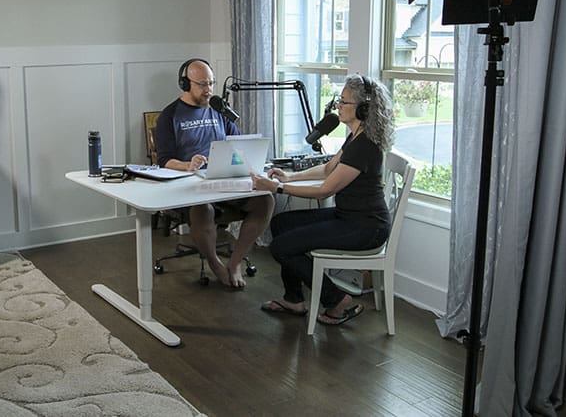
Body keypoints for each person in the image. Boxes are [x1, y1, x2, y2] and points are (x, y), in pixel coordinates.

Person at [249, 74, 394, 325]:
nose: (338, 105)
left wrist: (278, 188)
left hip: (366, 228)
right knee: (281, 224)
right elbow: (328, 169)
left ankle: (336, 300)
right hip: (349, 217)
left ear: (362, 108)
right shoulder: (355, 136)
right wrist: (290, 178)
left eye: (344, 101)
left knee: (281, 247)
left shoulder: (364, 145)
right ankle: (294, 300)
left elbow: (324, 191)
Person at [154, 58, 274, 288]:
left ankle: (235, 262)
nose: (209, 90)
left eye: (211, 83)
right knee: (202, 209)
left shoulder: (219, 111)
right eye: (202, 84)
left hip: (224, 181)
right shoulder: (170, 116)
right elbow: (164, 161)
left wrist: (251, 164)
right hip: (190, 187)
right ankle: (215, 263)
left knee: (265, 201)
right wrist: (188, 165)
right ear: (185, 84)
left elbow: (237, 145)